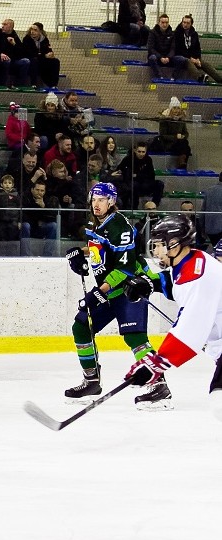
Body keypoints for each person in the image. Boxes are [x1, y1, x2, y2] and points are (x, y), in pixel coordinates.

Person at [63, 182, 169, 409]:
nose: (96, 204)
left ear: (111, 201)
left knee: (135, 336)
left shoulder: (120, 226)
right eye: (94, 200)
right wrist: (80, 253)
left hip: (132, 287)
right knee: (81, 326)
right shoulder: (99, 223)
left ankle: (159, 384)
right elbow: (101, 248)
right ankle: (91, 380)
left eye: (101, 200)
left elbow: (125, 268)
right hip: (111, 289)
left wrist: (99, 292)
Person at [122, 215, 222, 416]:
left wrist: (157, 364)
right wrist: (151, 283)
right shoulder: (193, 260)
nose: (156, 251)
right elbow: (175, 282)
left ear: (175, 245)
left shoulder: (197, 277)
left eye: (160, 245)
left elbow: (190, 328)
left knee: (219, 405)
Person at [174, 14, 222, 84]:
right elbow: (178, 50)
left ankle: (219, 79)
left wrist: (198, 59)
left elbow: (197, 48)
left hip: (194, 58)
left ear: (191, 24)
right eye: (184, 22)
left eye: (188, 23)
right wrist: (191, 58)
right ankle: (200, 77)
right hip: (182, 58)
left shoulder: (194, 34)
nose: (185, 25)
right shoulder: (177, 33)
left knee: (205, 64)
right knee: (188, 62)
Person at [20, 179, 58, 256]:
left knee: (54, 226)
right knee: (26, 225)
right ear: (32, 190)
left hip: (40, 228)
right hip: (29, 228)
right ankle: (25, 255)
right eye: (37, 190)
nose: (39, 192)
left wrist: (44, 207)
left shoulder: (48, 200)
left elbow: (52, 218)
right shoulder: (26, 199)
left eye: (42, 190)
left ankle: (47, 255)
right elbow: (23, 215)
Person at [147, 14, 186, 80]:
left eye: (166, 23)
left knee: (181, 59)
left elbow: (173, 48)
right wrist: (160, 57)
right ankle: (159, 77)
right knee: (152, 58)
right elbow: (151, 48)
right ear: (158, 23)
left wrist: (168, 57)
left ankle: (173, 77)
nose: (164, 25)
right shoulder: (152, 33)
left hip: (168, 59)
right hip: (157, 58)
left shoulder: (172, 34)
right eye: (162, 22)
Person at [22, 22, 60, 88]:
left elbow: (48, 50)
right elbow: (30, 53)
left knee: (56, 61)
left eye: (35, 30)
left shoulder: (44, 39)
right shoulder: (27, 39)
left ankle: (54, 85)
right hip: (31, 60)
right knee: (34, 61)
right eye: (31, 29)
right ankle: (33, 84)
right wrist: (44, 55)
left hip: (41, 60)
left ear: (40, 31)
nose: (32, 32)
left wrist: (51, 54)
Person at [157, 99, 191, 170]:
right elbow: (163, 135)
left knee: (185, 144)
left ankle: (182, 163)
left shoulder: (181, 120)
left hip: (180, 143)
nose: (176, 110)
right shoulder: (164, 120)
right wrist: (176, 137)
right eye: (174, 108)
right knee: (186, 145)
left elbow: (186, 133)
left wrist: (183, 136)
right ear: (170, 109)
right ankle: (182, 164)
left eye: (178, 108)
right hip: (169, 144)